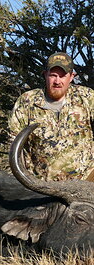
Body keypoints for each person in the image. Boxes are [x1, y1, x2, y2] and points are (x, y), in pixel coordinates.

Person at [9, 52, 94, 181]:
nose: (57, 81)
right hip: (41, 187)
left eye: (62, 76)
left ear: (71, 77)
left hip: (84, 186)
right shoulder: (27, 101)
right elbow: (13, 144)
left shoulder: (87, 98)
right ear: (45, 75)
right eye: (53, 75)